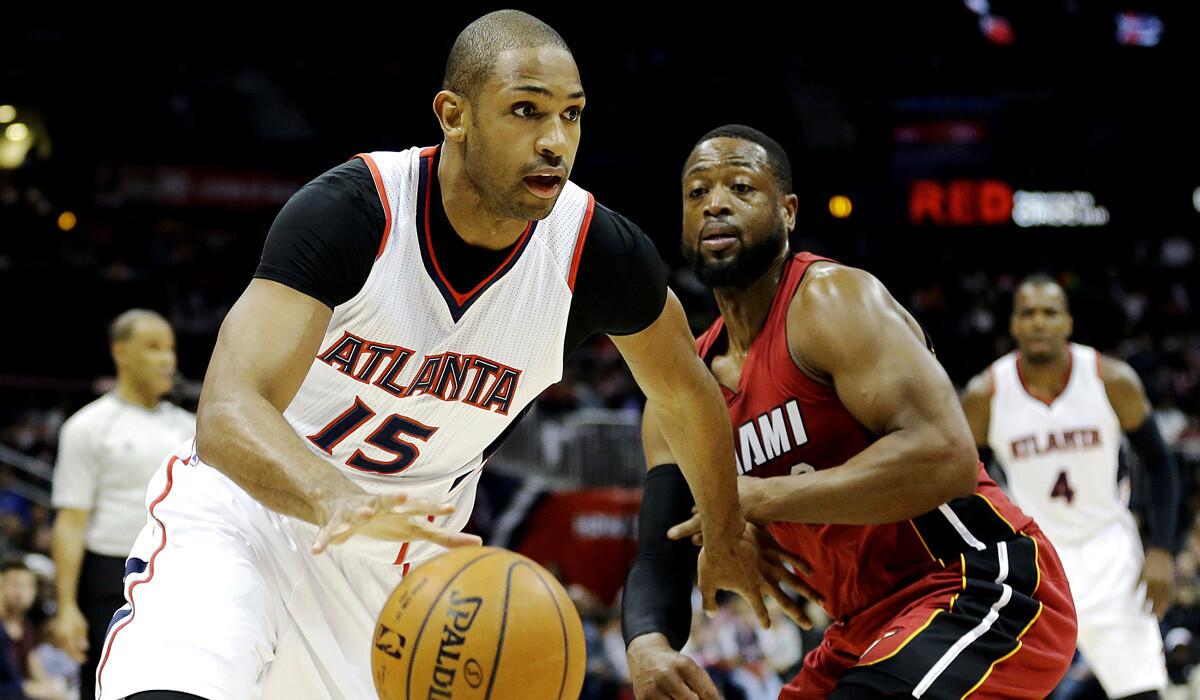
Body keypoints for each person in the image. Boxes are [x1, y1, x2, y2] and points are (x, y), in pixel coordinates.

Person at [95, 11, 773, 700]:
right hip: (249, 513)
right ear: (454, 115)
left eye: (571, 116)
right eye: (525, 111)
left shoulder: (599, 253)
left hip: (405, 567)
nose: (554, 142)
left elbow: (687, 394)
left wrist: (723, 524)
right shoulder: (354, 211)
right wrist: (336, 499)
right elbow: (229, 410)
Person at [622, 125, 1078, 699]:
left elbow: (947, 457)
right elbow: (661, 549)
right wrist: (648, 645)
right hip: (863, 625)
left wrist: (747, 502)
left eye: (741, 187)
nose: (715, 202)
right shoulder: (684, 386)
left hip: (977, 582)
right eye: (697, 193)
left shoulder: (831, 302)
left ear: (788, 212)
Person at [961, 275, 1180, 699]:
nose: (1039, 322)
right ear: (1014, 325)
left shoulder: (1112, 379)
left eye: (1049, 313)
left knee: (1140, 690)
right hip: (1036, 560)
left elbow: (1160, 462)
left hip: (1110, 552)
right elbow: (968, 485)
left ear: (1068, 322)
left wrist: (1163, 547)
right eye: (1028, 313)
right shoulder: (985, 395)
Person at [49, 309, 193, 700]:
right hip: (110, 575)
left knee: (177, 684)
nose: (168, 359)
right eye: (153, 347)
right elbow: (71, 520)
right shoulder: (88, 426)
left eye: (170, 349)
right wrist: (66, 606)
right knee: (110, 686)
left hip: (178, 572)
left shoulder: (191, 428)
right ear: (121, 352)